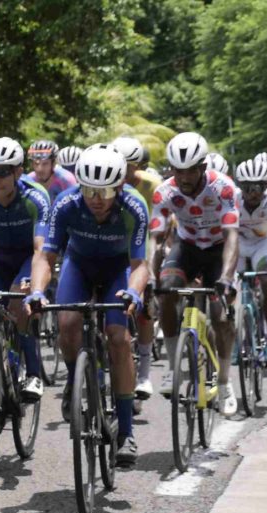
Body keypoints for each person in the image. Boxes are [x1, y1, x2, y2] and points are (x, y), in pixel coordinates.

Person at [26, 144, 149, 466]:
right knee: (66, 324)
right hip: (78, 265)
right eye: (90, 189)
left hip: (117, 269)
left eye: (106, 190)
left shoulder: (133, 206)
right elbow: (47, 255)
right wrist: (37, 291)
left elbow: (139, 265)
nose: (97, 198)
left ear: (120, 186)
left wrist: (135, 293)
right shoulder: (66, 204)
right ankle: (73, 379)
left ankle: (125, 431)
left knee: (118, 338)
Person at [151, 131, 239, 416]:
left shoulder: (223, 188)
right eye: (179, 171)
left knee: (221, 318)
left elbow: (232, 236)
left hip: (217, 249)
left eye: (190, 171)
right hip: (186, 247)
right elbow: (155, 239)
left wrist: (226, 277)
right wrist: (152, 278)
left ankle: (224, 384)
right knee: (167, 291)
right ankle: (173, 367)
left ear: (203, 168)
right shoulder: (165, 192)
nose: (184, 177)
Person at [0, 136, 50, 398]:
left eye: (3, 172)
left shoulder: (35, 197)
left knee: (18, 302)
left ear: (17, 172)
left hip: (29, 257)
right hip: (0, 258)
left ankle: (34, 374)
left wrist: (36, 288)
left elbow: (41, 251)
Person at [113, 136, 164, 400]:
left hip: (144, 246)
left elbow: (165, 220)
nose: (125, 172)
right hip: (113, 248)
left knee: (144, 308)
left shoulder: (153, 185)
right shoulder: (107, 182)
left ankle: (144, 372)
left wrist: (153, 265)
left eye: (131, 167)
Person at [234, 159, 267, 367]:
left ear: (266, 187)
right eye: (247, 187)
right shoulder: (231, 200)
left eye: (257, 187)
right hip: (237, 243)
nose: (252, 193)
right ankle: (236, 342)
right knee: (231, 289)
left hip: (263, 243)